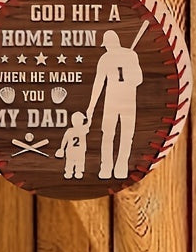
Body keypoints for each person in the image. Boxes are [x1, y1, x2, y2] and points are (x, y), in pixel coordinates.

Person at [86, 29, 142, 180]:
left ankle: (106, 169)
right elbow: (138, 80)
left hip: (112, 102)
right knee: (126, 136)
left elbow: (98, 84)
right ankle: (121, 168)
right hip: (128, 102)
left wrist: (91, 107)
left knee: (108, 135)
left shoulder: (105, 58)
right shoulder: (131, 55)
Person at [55, 111, 90, 179]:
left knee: (70, 162)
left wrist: (62, 148)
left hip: (70, 150)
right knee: (79, 161)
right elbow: (89, 124)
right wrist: (90, 116)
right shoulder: (83, 129)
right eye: (82, 120)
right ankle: (78, 172)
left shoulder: (70, 130)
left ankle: (68, 172)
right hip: (80, 151)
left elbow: (65, 140)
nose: (83, 122)